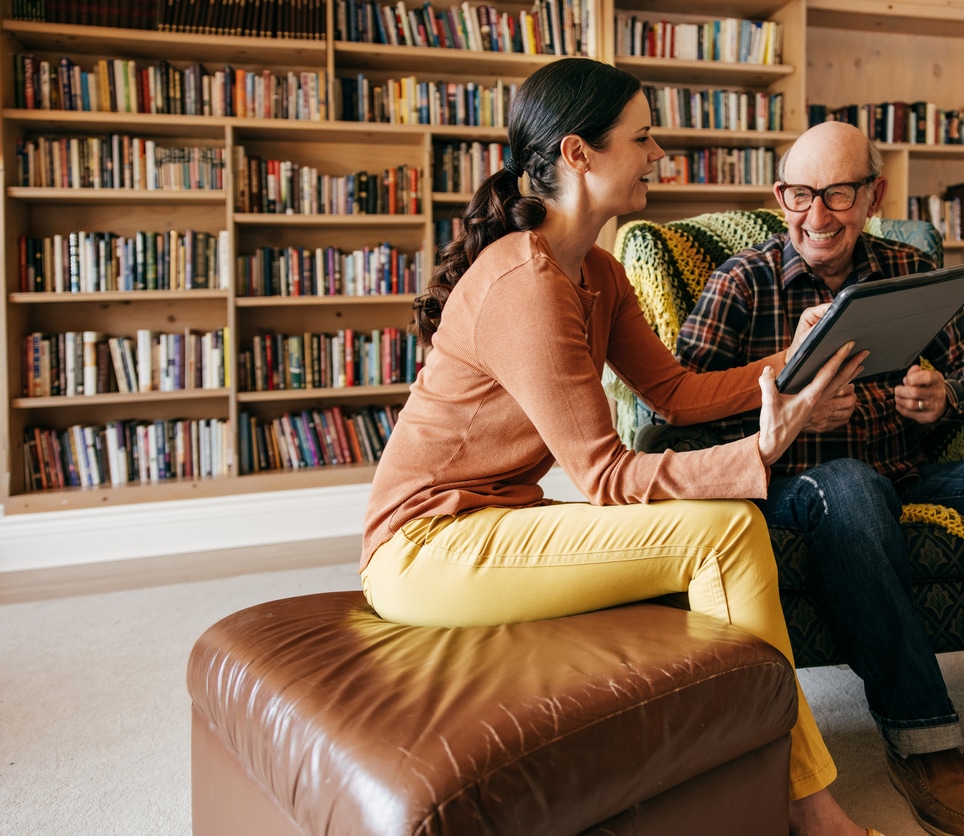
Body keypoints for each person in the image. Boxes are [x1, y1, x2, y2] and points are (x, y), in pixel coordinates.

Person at [360, 58, 884, 836]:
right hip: (425, 548)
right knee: (725, 530)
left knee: (725, 529)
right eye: (641, 139)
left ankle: (745, 778)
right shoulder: (525, 282)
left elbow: (670, 393)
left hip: (495, 521)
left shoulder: (595, 270)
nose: (657, 156)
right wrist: (765, 450)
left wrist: (791, 361)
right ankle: (809, 809)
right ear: (578, 155)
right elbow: (604, 475)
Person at [674, 120, 964, 836]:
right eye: (798, 194)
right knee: (850, 482)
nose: (815, 216)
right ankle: (922, 738)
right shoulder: (740, 281)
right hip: (796, 489)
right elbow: (678, 418)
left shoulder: (905, 270)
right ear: (778, 192)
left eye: (836, 194)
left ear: (872, 193)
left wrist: (945, 393)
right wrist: (784, 415)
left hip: (906, 473)